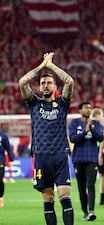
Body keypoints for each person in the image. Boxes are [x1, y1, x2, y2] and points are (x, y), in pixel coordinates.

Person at [18, 52, 75, 225]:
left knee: (65, 196)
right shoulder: (34, 104)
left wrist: (51, 66)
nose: (45, 85)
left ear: (55, 87)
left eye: (49, 83)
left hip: (60, 155)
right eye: (42, 83)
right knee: (48, 199)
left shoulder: (63, 104)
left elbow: (70, 81)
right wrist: (41, 66)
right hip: (41, 156)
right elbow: (22, 82)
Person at [68, 102, 104, 221]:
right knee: (81, 187)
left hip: (92, 159)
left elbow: (100, 137)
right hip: (78, 159)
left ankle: (92, 211)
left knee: (91, 185)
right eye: (85, 108)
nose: (88, 110)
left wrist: (91, 129)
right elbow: (73, 139)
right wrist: (85, 131)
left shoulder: (96, 123)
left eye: (90, 108)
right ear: (80, 110)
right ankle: (85, 211)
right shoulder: (74, 123)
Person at [92, 108, 104, 205]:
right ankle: (102, 198)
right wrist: (100, 154)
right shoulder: (98, 125)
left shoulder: (88, 123)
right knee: (103, 175)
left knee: (89, 178)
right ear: (98, 115)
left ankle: (88, 199)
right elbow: (101, 140)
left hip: (89, 152)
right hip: (97, 151)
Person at [0, 129, 14, 208]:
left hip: (0, 161)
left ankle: (0, 198)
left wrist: (11, 159)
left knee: (0, 181)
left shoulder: (3, 135)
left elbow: (8, 148)